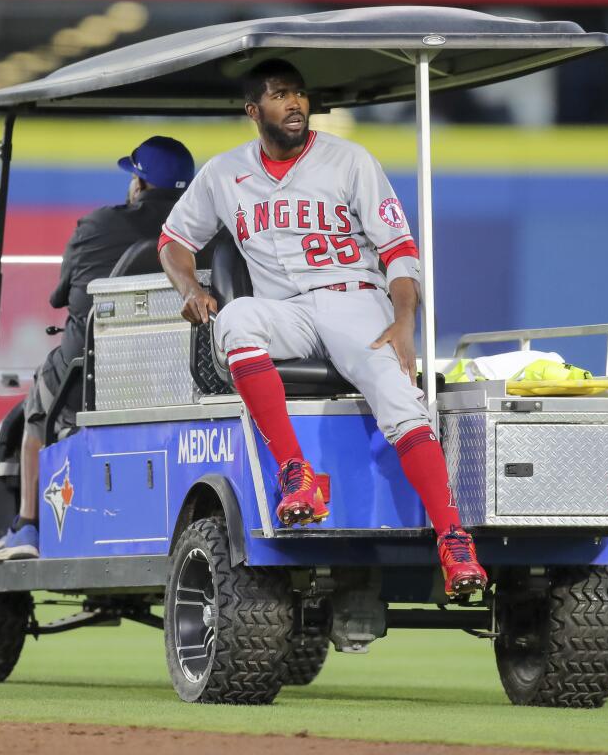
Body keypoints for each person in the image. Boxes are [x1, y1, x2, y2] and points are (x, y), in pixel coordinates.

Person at [157, 60, 487, 596]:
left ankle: (453, 539)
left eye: (300, 94)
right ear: (253, 110)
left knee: (400, 400)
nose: (295, 104)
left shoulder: (349, 159)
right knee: (236, 320)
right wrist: (190, 290)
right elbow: (172, 240)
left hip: (353, 299)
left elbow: (400, 251)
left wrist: (404, 319)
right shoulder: (223, 172)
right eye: (280, 95)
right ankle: (295, 473)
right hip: (285, 309)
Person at [0, 136, 196, 561]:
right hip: (181, 370)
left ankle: (28, 525)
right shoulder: (204, 231)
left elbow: (59, 298)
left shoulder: (96, 226)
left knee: (36, 407)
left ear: (138, 184)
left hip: (92, 372)